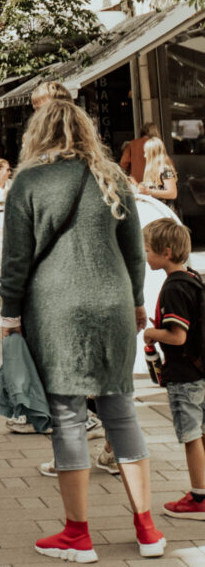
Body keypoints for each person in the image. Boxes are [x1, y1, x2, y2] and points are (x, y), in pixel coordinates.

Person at [0, 99, 164, 561]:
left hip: (55, 310)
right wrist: (136, 303)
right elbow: (134, 253)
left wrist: (9, 317)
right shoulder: (112, 178)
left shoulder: (28, 182)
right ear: (86, 131)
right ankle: (148, 530)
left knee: (68, 417)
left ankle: (77, 534)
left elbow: (15, 259)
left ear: (39, 132)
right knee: (121, 410)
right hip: (112, 305)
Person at [141, 219, 205, 521]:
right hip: (200, 370)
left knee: (191, 436)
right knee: (202, 433)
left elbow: (177, 336)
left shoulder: (174, 289)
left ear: (166, 252)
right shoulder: (193, 278)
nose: (144, 255)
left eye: (147, 250)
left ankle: (198, 497)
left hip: (184, 375)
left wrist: (152, 335)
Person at [138, 138, 178, 210]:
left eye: (146, 152)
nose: (145, 156)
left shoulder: (165, 170)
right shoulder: (154, 170)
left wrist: (149, 191)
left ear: (152, 154)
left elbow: (173, 193)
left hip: (164, 212)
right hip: (156, 210)